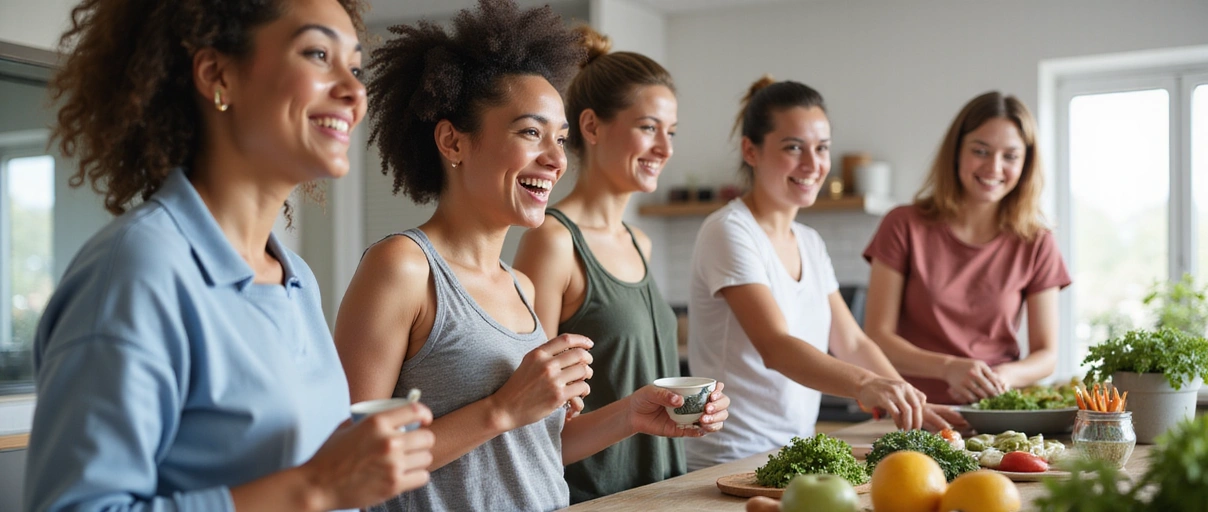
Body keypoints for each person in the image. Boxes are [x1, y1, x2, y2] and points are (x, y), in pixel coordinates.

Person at [23, 1, 436, 511]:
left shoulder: (295, 278)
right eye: (316, 53)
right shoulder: (136, 272)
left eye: (354, 67)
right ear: (218, 74)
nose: (355, 92)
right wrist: (317, 487)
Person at [332, 1, 729, 510]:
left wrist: (632, 413)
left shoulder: (519, 286)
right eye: (529, 132)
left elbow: (532, 452)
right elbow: (349, 459)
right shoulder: (403, 268)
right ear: (453, 140)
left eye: (560, 139)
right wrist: (501, 408)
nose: (556, 158)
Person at [684, 76, 962, 471]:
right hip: (731, 458)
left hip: (792, 453)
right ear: (751, 150)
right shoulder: (728, 230)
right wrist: (867, 385)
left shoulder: (809, 241)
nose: (813, 165)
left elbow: (851, 340)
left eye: (822, 148)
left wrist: (908, 399)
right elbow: (776, 346)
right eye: (793, 147)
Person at [513, 26, 719, 503]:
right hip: (596, 499)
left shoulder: (639, 242)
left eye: (670, 132)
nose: (665, 149)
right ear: (591, 127)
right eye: (648, 128)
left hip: (664, 494)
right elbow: (535, 421)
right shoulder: (553, 241)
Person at [862, 91, 1071, 405]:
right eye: (981, 150)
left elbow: (1046, 356)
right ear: (956, 151)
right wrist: (949, 368)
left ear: (1026, 163)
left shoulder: (1036, 241)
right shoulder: (903, 224)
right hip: (912, 410)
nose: (994, 167)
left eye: (1010, 156)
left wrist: (1001, 377)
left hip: (994, 414)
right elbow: (877, 338)